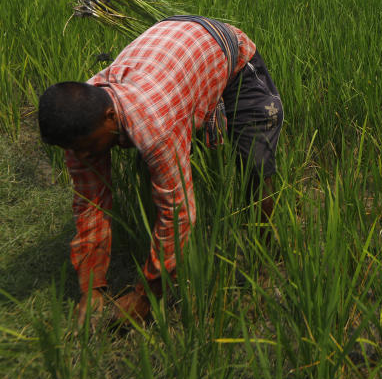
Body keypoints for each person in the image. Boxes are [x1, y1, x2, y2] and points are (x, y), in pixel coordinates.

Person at [38, 16, 283, 326]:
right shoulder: (78, 122)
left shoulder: (155, 125)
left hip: (226, 50)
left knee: (256, 168)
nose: (83, 155)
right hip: (170, 57)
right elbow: (90, 204)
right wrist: (92, 289)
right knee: (154, 158)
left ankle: (264, 258)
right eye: (75, 150)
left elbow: (178, 214)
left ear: (111, 117)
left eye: (87, 146)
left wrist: (146, 295)